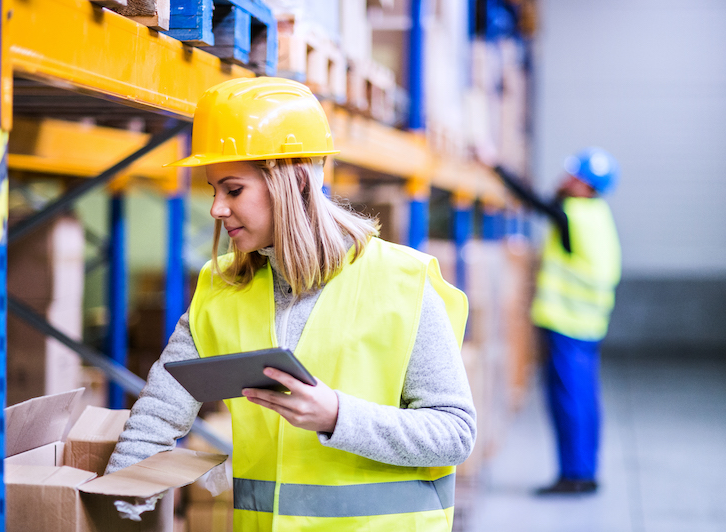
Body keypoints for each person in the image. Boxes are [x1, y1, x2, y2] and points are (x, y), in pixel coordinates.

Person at [105, 77, 476, 531]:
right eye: (213, 189)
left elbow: (454, 434)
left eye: (233, 189)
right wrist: (116, 502)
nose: (216, 209)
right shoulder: (221, 289)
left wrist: (338, 416)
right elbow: (159, 413)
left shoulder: (402, 282)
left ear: (296, 182)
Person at [494, 148, 622, 495]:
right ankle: (584, 471)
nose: (566, 180)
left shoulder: (574, 214)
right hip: (588, 324)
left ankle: (575, 475)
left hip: (568, 323)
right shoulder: (596, 214)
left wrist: (496, 164)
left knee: (569, 400)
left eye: (574, 177)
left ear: (586, 186)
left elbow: (534, 201)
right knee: (584, 397)